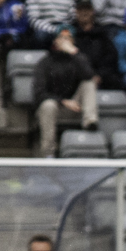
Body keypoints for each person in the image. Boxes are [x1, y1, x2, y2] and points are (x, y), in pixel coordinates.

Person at [33, 24, 98, 157]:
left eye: (68, 38)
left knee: (89, 83)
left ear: (73, 41)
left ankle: (90, 121)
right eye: (61, 38)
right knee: (48, 105)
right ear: (55, 41)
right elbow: (39, 93)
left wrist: (75, 53)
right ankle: (48, 153)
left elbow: (89, 76)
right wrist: (63, 101)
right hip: (55, 107)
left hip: (76, 107)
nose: (64, 41)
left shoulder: (79, 59)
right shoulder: (45, 62)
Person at [73, 0, 123, 90]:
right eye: (81, 9)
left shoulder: (102, 34)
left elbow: (111, 59)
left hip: (101, 78)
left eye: (87, 9)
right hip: (76, 79)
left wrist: (100, 75)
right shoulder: (71, 34)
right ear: (76, 11)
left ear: (92, 11)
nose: (84, 12)